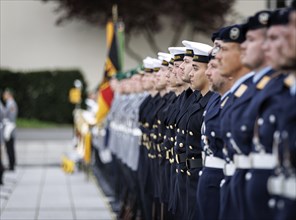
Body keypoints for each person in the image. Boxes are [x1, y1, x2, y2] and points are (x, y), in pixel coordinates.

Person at [2, 88, 18, 171]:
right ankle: (11, 164)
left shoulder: (11, 103)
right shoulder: (9, 103)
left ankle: (12, 165)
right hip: (9, 128)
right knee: (9, 147)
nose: (4, 95)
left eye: (5, 94)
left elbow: (11, 117)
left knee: (10, 147)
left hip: (9, 129)